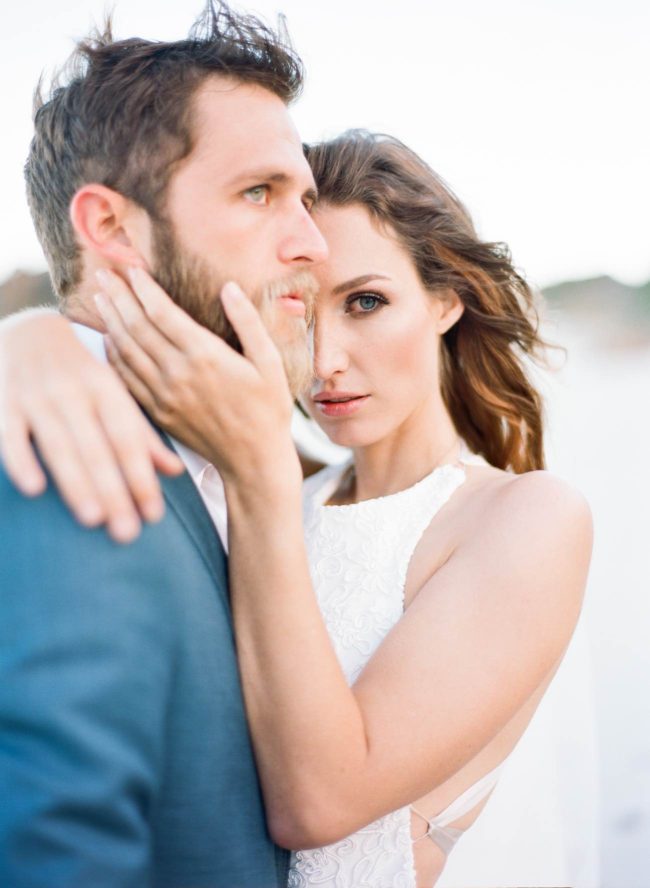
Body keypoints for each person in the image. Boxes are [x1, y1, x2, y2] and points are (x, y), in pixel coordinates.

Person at [0, 124, 594, 883]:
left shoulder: (529, 519)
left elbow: (317, 805)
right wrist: (32, 338)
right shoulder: (280, 481)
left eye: (367, 302)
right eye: (301, 309)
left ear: (446, 300)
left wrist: (257, 470)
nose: (323, 362)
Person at [0, 3, 329, 886]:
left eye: (305, 200)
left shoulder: (230, 453)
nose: (313, 243)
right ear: (109, 228)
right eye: (259, 194)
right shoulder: (63, 452)